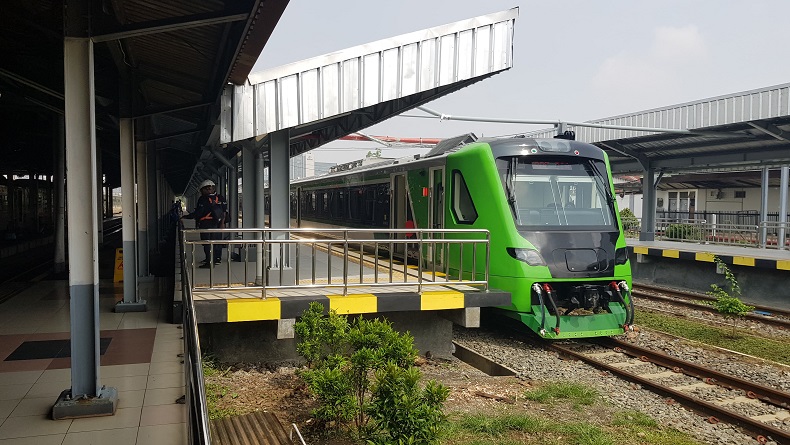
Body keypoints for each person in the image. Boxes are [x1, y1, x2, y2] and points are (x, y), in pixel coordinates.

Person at [181, 179, 227, 267]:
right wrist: (222, 223)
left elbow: (198, 213)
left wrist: (186, 217)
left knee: (207, 243)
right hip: (217, 224)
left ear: (205, 189)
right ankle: (216, 259)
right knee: (217, 242)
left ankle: (209, 262)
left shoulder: (203, 199)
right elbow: (224, 212)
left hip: (206, 224)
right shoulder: (220, 198)